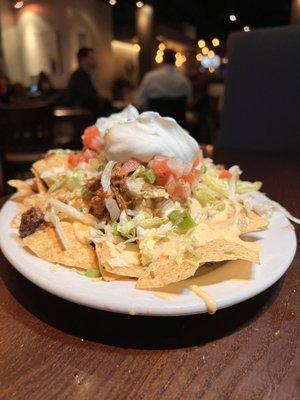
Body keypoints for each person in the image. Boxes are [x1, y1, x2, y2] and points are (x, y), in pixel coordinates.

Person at [67, 47, 109, 118]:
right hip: (85, 116)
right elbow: (88, 98)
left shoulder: (83, 74)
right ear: (83, 59)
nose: (93, 61)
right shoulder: (80, 76)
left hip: (87, 113)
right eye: (91, 58)